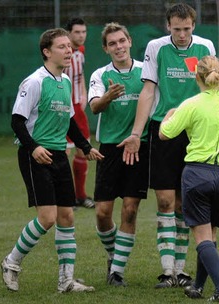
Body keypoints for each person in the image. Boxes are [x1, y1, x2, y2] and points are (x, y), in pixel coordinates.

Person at [117, 3, 216, 288]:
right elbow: (148, 91)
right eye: (177, 29)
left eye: (187, 29)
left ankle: (181, 269)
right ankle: (166, 271)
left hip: (195, 131)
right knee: (164, 200)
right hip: (164, 129)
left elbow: (212, 89)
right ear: (168, 26)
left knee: (186, 203)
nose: (182, 35)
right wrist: (137, 133)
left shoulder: (205, 46)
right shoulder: (156, 48)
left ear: (193, 27)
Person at [1, 28, 104, 293]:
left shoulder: (65, 81)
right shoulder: (34, 81)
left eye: (69, 46)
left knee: (67, 216)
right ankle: (11, 263)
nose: (69, 50)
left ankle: (66, 280)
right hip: (36, 155)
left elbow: (69, 119)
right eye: (62, 46)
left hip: (58, 155)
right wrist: (33, 147)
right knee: (47, 217)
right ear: (47, 52)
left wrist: (84, 146)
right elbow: (17, 121)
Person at [159, 55, 219, 303]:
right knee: (211, 234)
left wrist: (169, 114)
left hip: (197, 174)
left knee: (202, 237)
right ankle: (198, 287)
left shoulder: (190, 104)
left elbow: (164, 134)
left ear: (197, 77)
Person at [88, 22, 148, 287]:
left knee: (130, 210)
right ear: (106, 48)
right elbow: (94, 108)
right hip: (110, 149)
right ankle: (114, 255)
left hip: (138, 147)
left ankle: (117, 273)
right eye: (112, 43)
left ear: (130, 41)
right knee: (102, 213)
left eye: (122, 41)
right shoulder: (100, 75)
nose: (118, 46)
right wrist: (108, 97)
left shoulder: (147, 72)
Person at [65, 17, 94, 209]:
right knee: (62, 152)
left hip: (77, 107)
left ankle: (80, 196)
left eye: (84, 32)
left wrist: (83, 93)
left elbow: (80, 75)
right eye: (77, 32)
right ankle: (65, 197)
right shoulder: (63, 53)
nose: (81, 36)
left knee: (84, 150)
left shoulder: (80, 52)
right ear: (69, 33)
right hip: (63, 109)